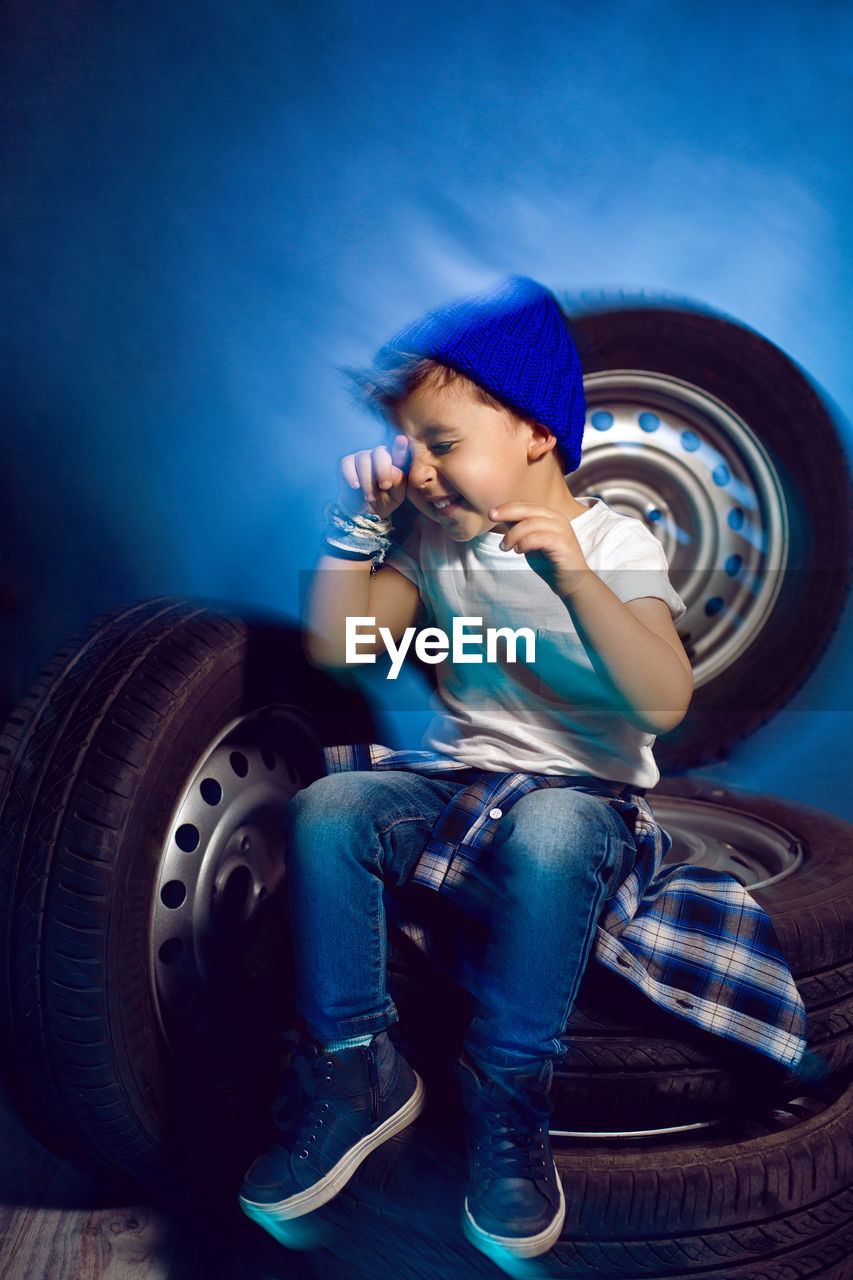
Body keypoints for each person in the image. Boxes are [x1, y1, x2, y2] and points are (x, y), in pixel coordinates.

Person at [238, 277, 808, 1266]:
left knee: (552, 830)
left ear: (536, 433)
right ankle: (352, 1065)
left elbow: (662, 701)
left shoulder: (612, 539)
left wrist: (572, 580)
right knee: (331, 806)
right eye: (409, 445)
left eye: (441, 440)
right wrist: (355, 532)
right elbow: (342, 648)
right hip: (461, 788)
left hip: (584, 801)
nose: (417, 467)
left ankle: (508, 1099)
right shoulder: (425, 541)